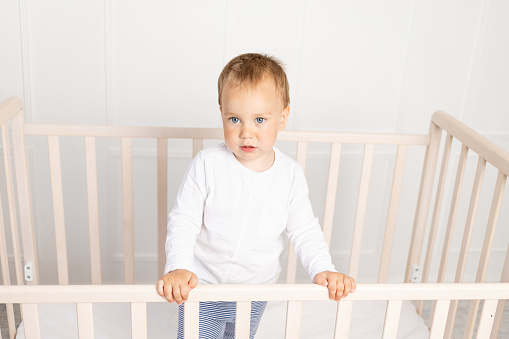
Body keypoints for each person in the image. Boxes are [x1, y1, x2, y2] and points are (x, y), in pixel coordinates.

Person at [156, 53, 356, 339]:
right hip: (203, 284)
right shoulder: (207, 164)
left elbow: (304, 230)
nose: (246, 132)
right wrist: (178, 267)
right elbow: (183, 220)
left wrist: (324, 268)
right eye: (234, 119)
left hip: (255, 290)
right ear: (222, 113)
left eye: (260, 119)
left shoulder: (290, 175)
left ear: (283, 117)